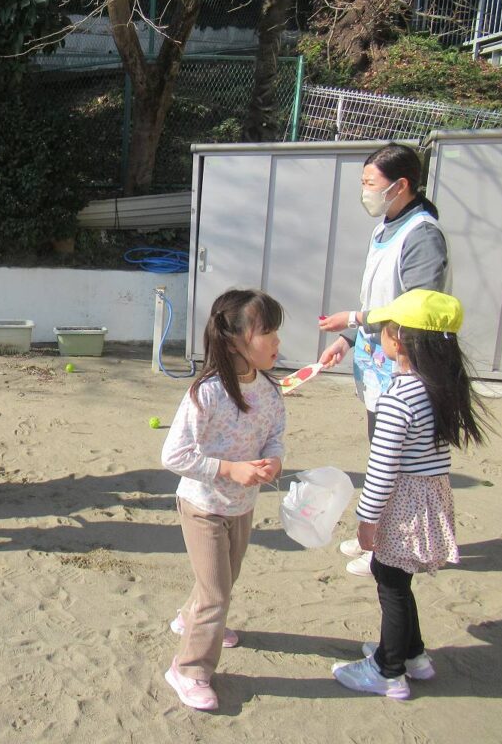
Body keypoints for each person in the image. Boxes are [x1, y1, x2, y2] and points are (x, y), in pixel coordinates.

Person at [332, 289, 488, 700]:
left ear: (398, 339)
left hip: (403, 503)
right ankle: (413, 654)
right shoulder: (438, 387)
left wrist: (367, 520)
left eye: (385, 328)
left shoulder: (398, 397)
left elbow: (382, 467)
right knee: (398, 579)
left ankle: (388, 669)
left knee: (390, 583)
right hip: (428, 498)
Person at [318, 144, 450, 576]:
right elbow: (375, 296)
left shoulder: (422, 234)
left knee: (394, 461)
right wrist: (350, 338)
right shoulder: (385, 228)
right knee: (380, 450)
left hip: (406, 367)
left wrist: (356, 319)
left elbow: (416, 306)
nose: (365, 191)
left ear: (401, 185)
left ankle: (386, 547)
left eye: (370, 183)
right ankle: (375, 538)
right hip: (379, 362)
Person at [161, 289, 286, 711]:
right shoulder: (208, 393)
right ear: (234, 340)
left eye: (276, 331)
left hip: (242, 506)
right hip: (202, 506)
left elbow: (275, 435)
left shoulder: (269, 390)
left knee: (222, 582)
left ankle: (189, 619)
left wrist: (274, 461)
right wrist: (229, 469)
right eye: (266, 331)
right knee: (217, 595)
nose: (276, 341)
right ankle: (189, 670)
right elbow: (174, 455)